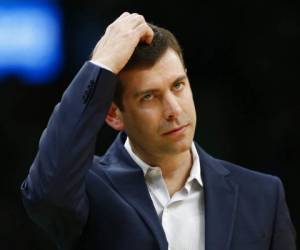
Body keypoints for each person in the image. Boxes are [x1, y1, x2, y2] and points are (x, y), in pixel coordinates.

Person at [21, 12, 296, 250]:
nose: (173, 109)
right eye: (149, 97)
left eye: (178, 85)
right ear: (114, 115)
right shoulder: (89, 189)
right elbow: (44, 191)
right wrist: (102, 65)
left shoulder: (262, 195)